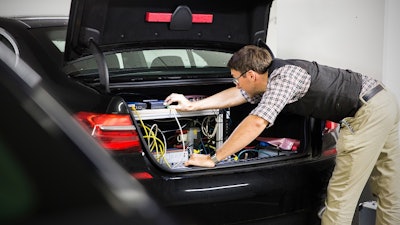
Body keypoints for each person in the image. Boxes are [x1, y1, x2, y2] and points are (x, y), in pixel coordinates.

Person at [164, 45, 400, 225]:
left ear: (251, 75)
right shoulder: (270, 76)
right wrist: (192, 106)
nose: (236, 84)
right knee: (390, 189)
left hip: (367, 112)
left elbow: (257, 122)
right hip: (384, 101)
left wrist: (214, 158)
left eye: (236, 78)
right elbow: (236, 96)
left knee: (341, 196)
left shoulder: (285, 79)